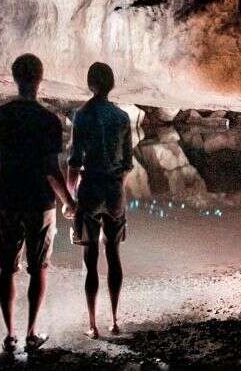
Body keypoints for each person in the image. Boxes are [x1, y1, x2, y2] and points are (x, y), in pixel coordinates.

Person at [0, 53, 73, 356]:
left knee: (6, 268)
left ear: (14, 78)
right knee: (39, 267)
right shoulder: (48, 121)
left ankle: (10, 336)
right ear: (40, 79)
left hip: (7, 199)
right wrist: (69, 202)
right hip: (40, 203)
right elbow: (50, 169)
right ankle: (31, 333)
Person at [66, 61, 134, 338]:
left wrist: (71, 197)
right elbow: (128, 163)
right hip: (114, 189)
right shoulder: (122, 117)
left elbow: (73, 162)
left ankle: (92, 325)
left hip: (90, 188)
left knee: (90, 255)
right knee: (114, 254)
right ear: (111, 85)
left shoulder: (81, 115)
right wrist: (117, 183)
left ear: (90, 84)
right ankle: (115, 320)